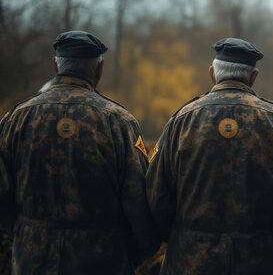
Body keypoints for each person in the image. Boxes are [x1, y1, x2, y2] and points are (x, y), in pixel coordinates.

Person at [0, 31, 160, 274]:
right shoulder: (118, 121)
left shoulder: (17, 119)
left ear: (56, 66)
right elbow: (137, 199)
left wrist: (26, 233)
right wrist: (140, 253)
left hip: (32, 258)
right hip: (101, 259)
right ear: (99, 69)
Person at [146, 38, 273, 274]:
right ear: (253, 77)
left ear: (213, 73)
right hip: (265, 262)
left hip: (191, 261)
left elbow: (157, 197)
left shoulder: (182, 121)